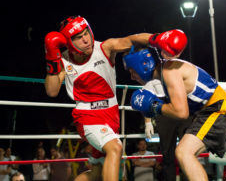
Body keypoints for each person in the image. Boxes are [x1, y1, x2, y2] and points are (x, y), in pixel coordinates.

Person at [44, 15, 153, 181]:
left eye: (86, 33)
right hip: (87, 116)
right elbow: (51, 91)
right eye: (79, 38)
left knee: (102, 172)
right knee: (115, 148)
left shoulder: (104, 48)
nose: (86, 40)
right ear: (69, 42)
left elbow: (131, 40)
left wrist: (158, 38)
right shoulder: (64, 60)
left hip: (112, 114)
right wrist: (52, 58)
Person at [125, 29, 226, 180]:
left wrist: (154, 106)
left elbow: (181, 113)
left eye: (132, 71)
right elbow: (135, 38)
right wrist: (155, 38)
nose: (132, 77)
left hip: (219, 109)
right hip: (211, 110)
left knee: (183, 152)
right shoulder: (165, 70)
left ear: (143, 65)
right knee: (184, 153)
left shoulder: (169, 71)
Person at [123, 49, 191, 181]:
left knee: (188, 152)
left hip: (183, 109)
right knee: (167, 154)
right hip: (164, 113)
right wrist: (148, 122)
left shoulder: (169, 67)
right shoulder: (148, 78)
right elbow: (145, 101)